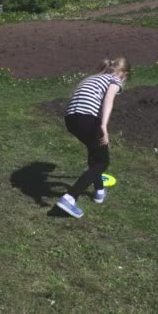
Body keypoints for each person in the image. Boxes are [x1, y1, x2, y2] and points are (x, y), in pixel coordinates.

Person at [56, 57, 130, 218]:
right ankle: (70, 198)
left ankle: (99, 192)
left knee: (95, 152)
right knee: (103, 162)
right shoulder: (115, 79)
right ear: (123, 74)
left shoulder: (93, 77)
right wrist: (103, 126)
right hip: (87, 118)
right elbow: (109, 100)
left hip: (71, 118)